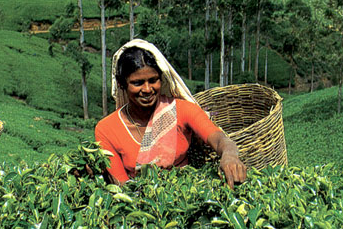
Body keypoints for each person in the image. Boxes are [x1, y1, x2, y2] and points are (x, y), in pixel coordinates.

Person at [95, 39, 247, 188]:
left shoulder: (181, 110)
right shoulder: (106, 129)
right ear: (122, 84)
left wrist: (229, 155)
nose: (148, 89)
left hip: (187, 191)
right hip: (140, 200)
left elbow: (220, 139)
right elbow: (121, 184)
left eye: (153, 80)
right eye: (138, 83)